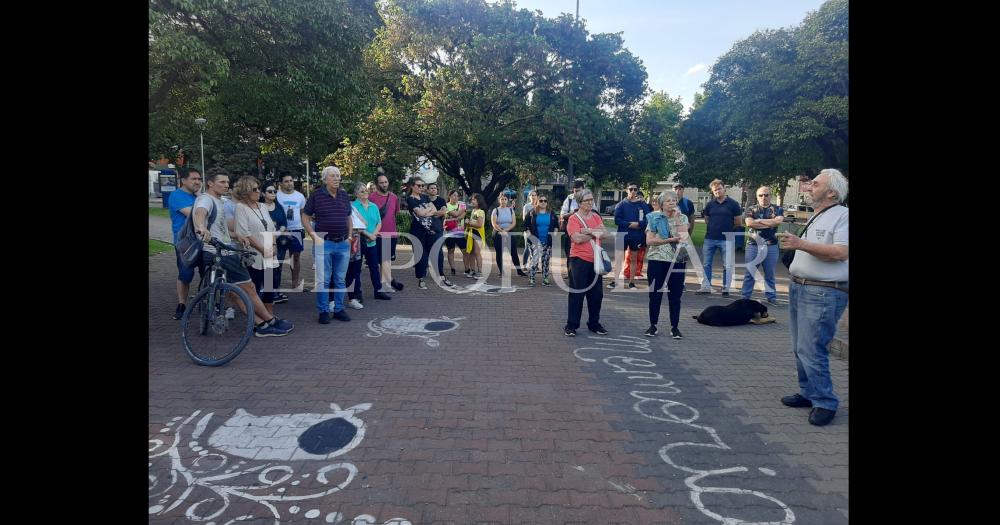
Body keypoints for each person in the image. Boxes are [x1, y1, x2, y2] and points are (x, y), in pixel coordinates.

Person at [777, 169, 849, 427]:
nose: (808, 187)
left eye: (815, 184)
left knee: (812, 348)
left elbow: (841, 252)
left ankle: (825, 401)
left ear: (831, 192)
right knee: (800, 347)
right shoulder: (818, 214)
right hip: (801, 287)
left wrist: (801, 244)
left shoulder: (843, 216)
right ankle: (808, 392)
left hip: (823, 291)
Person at [192, 171, 292, 337]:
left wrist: (237, 235)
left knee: (236, 292)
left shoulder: (220, 201)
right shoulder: (206, 199)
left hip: (222, 249)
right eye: (222, 182)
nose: (226, 185)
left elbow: (222, 229)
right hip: (220, 253)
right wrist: (201, 227)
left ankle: (261, 324)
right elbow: (200, 213)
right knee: (249, 288)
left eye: (227, 182)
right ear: (210, 183)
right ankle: (270, 321)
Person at [302, 166, 353, 324]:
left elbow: (348, 217)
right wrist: (313, 236)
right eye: (333, 176)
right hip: (324, 243)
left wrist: (350, 236)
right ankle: (323, 311)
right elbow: (305, 217)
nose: (337, 178)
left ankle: (338, 309)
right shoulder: (316, 196)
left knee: (340, 279)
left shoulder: (344, 195)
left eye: (338, 175)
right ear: (325, 179)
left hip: (343, 243)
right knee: (323, 279)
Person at [233, 176, 283, 320]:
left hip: (269, 253)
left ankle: (270, 316)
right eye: (254, 189)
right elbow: (245, 233)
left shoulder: (262, 206)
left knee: (269, 287)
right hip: (254, 256)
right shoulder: (241, 207)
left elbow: (272, 228)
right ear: (245, 191)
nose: (258, 191)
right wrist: (262, 249)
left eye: (258, 188)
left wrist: (273, 246)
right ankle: (258, 320)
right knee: (254, 288)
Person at [645, 191, 690, 339]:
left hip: (677, 261)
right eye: (668, 200)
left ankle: (675, 327)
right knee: (655, 294)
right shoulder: (653, 217)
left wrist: (677, 219)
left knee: (675, 295)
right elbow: (649, 241)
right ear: (661, 203)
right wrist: (670, 240)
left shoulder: (682, 217)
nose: (672, 203)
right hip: (657, 260)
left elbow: (683, 238)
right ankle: (653, 325)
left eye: (674, 200)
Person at [564, 189, 608, 337]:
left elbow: (605, 234)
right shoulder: (573, 219)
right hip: (579, 261)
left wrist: (586, 231)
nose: (591, 202)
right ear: (579, 203)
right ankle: (571, 325)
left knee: (597, 295)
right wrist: (594, 232)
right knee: (577, 294)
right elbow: (576, 239)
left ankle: (594, 323)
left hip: (596, 261)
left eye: (591, 199)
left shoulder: (596, 216)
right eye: (587, 200)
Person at [344, 182, 392, 309]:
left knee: (374, 267)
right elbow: (354, 224)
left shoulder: (373, 206)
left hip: (372, 241)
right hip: (358, 241)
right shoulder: (352, 206)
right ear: (356, 194)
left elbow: (379, 223)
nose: (365, 192)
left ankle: (378, 291)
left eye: (366, 190)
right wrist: (368, 234)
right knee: (356, 269)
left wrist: (374, 235)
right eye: (362, 191)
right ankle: (357, 294)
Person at [406, 177, 454, 289]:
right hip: (417, 231)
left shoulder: (425, 197)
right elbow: (420, 213)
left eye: (423, 185)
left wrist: (426, 211)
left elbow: (431, 210)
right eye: (419, 185)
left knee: (438, 253)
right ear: (412, 186)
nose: (421, 188)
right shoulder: (410, 199)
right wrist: (428, 211)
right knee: (420, 255)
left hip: (431, 230)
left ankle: (441, 276)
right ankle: (421, 279)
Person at [168, 168, 203, 320]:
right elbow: (194, 215)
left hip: (202, 240)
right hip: (185, 243)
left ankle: (208, 302)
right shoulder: (176, 195)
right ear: (183, 180)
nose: (197, 182)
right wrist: (202, 198)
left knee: (207, 272)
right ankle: (182, 304)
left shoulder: (198, 197)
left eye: (199, 179)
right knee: (185, 274)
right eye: (193, 179)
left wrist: (200, 196)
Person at [696, 179, 742, 296]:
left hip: (727, 239)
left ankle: (726, 287)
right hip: (710, 238)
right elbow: (707, 219)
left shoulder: (733, 204)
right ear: (712, 192)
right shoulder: (710, 204)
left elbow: (738, 221)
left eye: (719, 189)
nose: (717, 191)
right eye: (715, 190)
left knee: (728, 265)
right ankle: (706, 286)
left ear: (724, 189)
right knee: (706, 264)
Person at [741, 186, 784, 305]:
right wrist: (770, 223)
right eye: (760, 195)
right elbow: (749, 223)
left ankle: (771, 297)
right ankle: (745, 297)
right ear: (757, 196)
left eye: (766, 195)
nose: (763, 197)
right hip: (753, 245)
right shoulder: (751, 209)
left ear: (771, 195)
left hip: (771, 246)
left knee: (770, 273)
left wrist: (758, 221)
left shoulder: (778, 209)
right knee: (750, 272)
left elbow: (778, 221)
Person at [369, 170, 405, 292]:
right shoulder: (371, 198)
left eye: (386, 182)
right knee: (382, 260)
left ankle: (385, 283)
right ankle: (386, 283)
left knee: (387, 259)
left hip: (391, 233)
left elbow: (395, 214)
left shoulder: (394, 197)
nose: (384, 184)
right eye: (381, 183)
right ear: (377, 184)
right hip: (377, 233)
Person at [613, 183, 650, 289]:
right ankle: (615, 281)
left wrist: (639, 224)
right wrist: (629, 224)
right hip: (622, 235)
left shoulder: (642, 205)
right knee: (619, 258)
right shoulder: (621, 204)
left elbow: (648, 219)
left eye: (635, 189)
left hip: (636, 235)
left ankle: (631, 282)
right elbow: (617, 220)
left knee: (634, 258)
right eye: (631, 189)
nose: (633, 191)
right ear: (626, 190)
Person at [276, 174, 307, 290]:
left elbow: (303, 213)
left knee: (296, 257)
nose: (289, 183)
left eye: (291, 180)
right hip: (281, 231)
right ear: (281, 183)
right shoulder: (277, 196)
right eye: (286, 181)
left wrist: (303, 227)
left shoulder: (300, 196)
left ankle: (295, 283)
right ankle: (276, 285)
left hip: (297, 230)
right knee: (279, 258)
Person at [261, 184, 290, 304]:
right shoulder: (260, 207)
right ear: (263, 194)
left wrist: (278, 233)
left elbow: (284, 223)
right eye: (269, 191)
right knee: (266, 268)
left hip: (278, 241)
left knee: (277, 267)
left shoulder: (279, 207)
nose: (273, 193)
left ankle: (275, 292)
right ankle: (267, 293)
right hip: (263, 241)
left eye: (274, 191)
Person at [523, 192, 557, 287]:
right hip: (534, 241)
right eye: (541, 200)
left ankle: (545, 279)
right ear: (537, 202)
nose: (543, 202)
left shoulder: (551, 213)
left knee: (545, 260)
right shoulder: (532, 213)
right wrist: (530, 235)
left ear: (547, 202)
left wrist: (554, 234)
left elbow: (556, 225)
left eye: (545, 201)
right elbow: (525, 225)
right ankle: (532, 278)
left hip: (547, 241)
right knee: (534, 260)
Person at [490, 192, 524, 278]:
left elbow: (514, 223)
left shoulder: (510, 210)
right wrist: (501, 230)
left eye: (505, 199)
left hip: (509, 232)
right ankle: (502, 272)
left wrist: (506, 230)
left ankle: (519, 271)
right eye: (502, 199)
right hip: (498, 232)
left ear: (507, 200)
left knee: (514, 252)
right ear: (499, 200)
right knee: (499, 253)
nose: (503, 201)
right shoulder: (495, 210)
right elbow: (494, 224)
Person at [442, 189, 468, 276]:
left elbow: (463, 214)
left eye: (457, 196)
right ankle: (453, 269)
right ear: (449, 196)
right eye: (454, 195)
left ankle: (467, 269)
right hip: (449, 232)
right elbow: (456, 214)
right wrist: (461, 212)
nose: (456, 197)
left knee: (464, 251)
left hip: (460, 231)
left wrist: (454, 219)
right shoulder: (446, 206)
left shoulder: (461, 204)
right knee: (451, 250)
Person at [559, 179, 587, 257]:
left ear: (583, 190)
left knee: (583, 256)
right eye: (575, 191)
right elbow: (563, 214)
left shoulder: (589, 199)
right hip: (571, 232)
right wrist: (573, 214)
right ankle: (570, 268)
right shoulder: (569, 199)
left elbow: (595, 214)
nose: (576, 193)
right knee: (569, 254)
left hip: (585, 232)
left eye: (578, 191)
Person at [464, 193, 487, 278]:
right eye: (472, 199)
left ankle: (480, 272)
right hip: (471, 233)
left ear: (479, 201)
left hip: (478, 234)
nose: (472, 201)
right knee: (471, 253)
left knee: (477, 253)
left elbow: (479, 224)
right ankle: (472, 270)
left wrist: (469, 222)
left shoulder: (480, 211)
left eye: (474, 199)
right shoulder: (474, 211)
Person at [521, 190, 539, 269]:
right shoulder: (526, 206)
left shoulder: (539, 206)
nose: (533, 197)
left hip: (537, 230)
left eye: (535, 195)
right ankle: (524, 265)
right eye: (532, 195)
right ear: (529, 197)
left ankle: (534, 265)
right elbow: (524, 219)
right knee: (527, 248)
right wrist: (527, 229)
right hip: (528, 230)